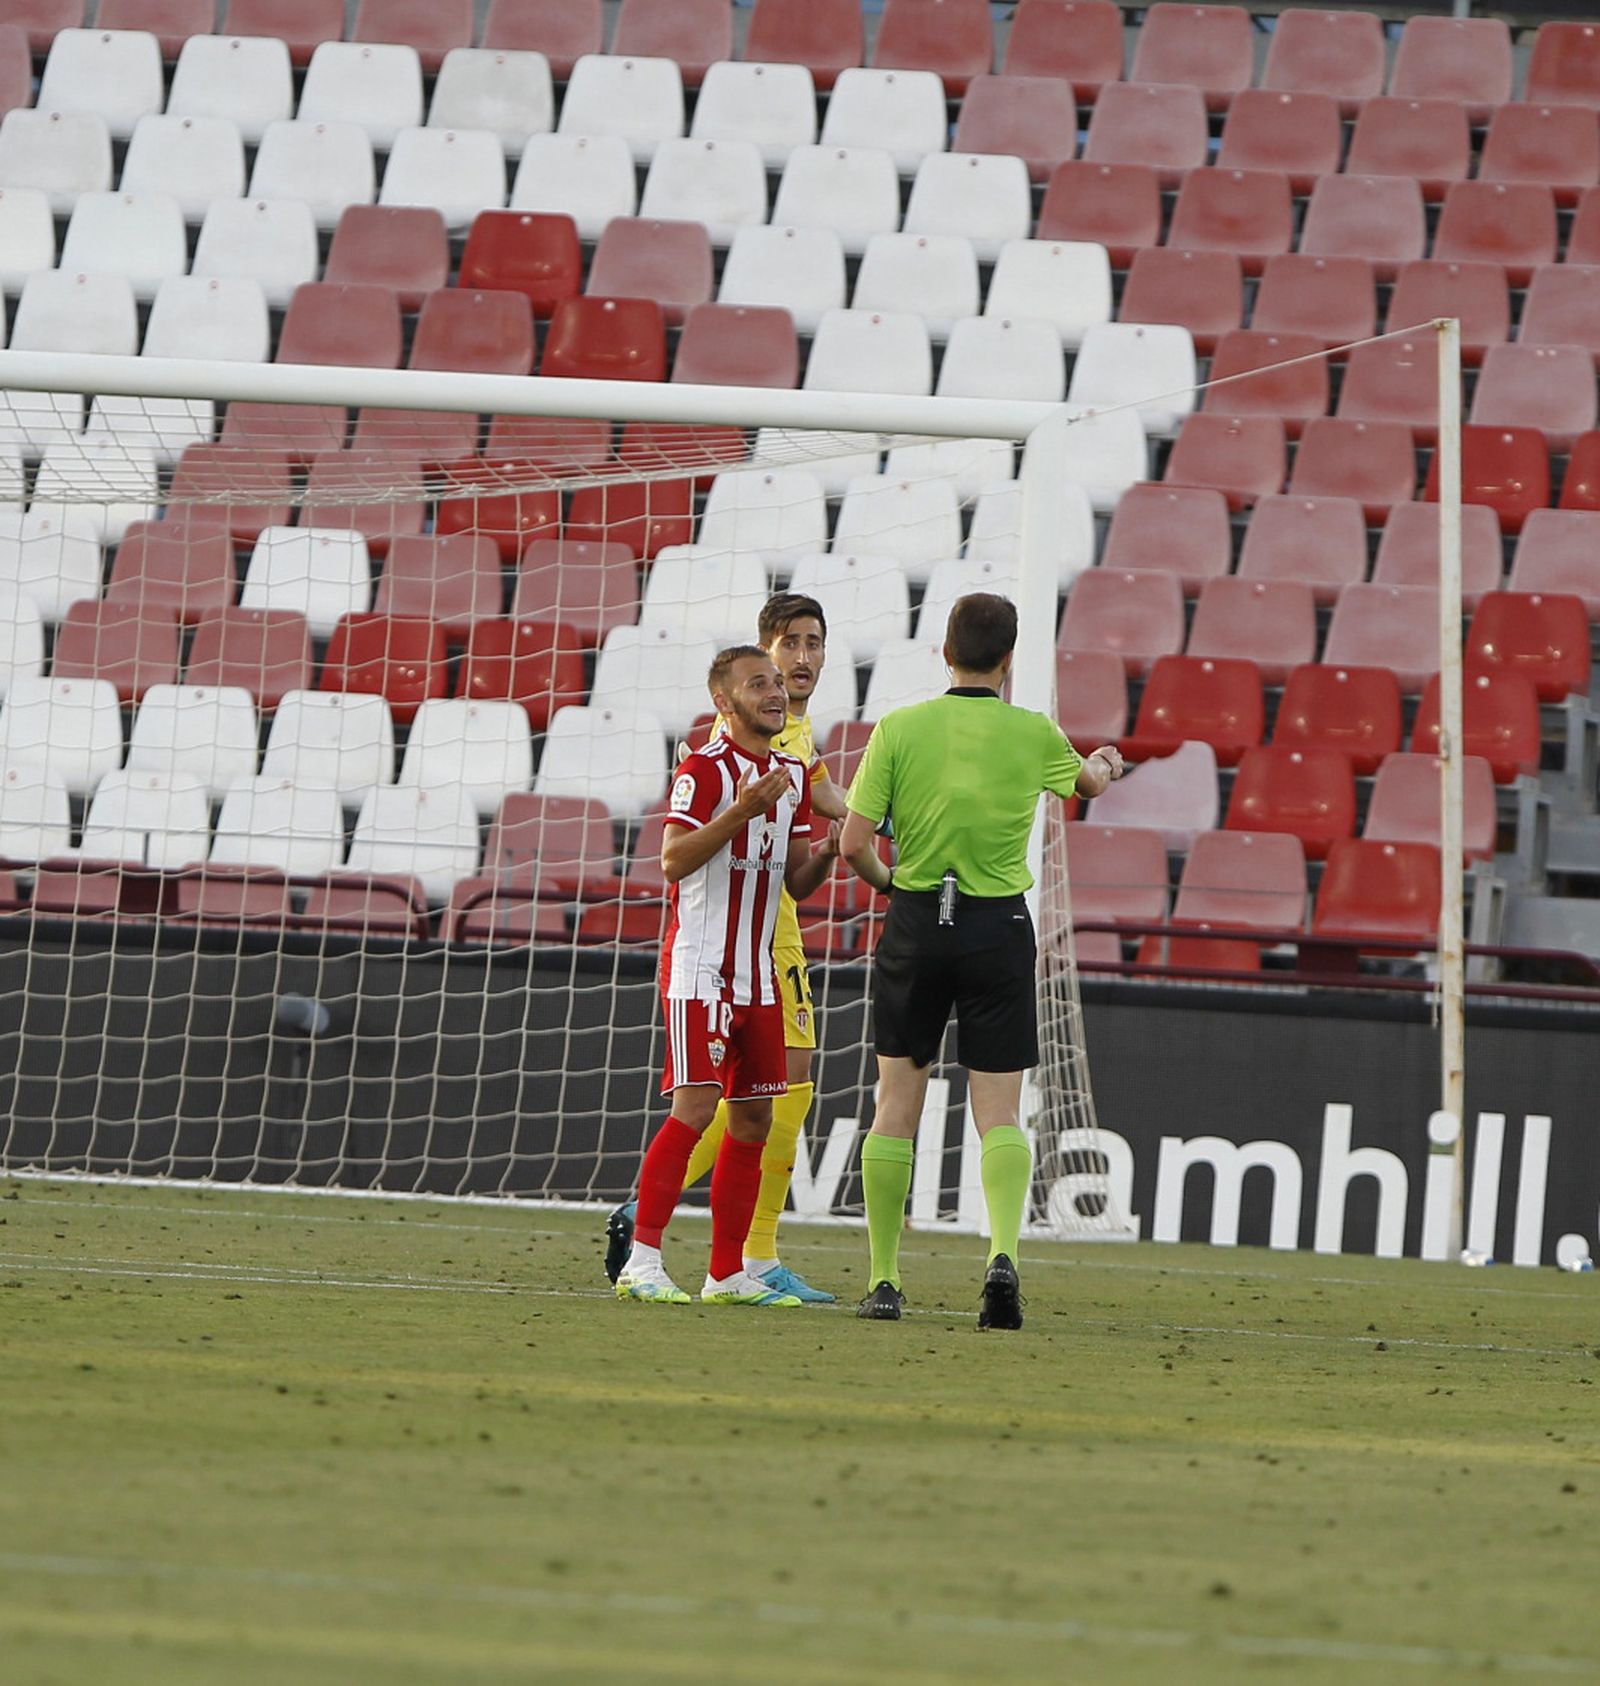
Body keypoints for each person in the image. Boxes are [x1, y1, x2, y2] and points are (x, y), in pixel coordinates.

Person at [838, 592, 1125, 1329]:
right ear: (1009, 659)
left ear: (944, 652)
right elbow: (1086, 787)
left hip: (915, 923)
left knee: (895, 1107)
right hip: (997, 930)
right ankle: (1002, 1257)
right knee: (998, 1111)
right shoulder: (1032, 732)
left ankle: (884, 1280)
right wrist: (1098, 764)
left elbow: (852, 844)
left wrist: (894, 885)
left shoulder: (900, 728)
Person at [606, 594, 848, 1302]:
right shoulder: (705, 769)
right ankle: (642, 1263)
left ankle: (727, 1274)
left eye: (777, 685)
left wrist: (832, 847)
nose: (776, 692)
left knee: (755, 1117)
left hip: (760, 979)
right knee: (694, 1108)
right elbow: (674, 860)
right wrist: (740, 811)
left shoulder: (795, 776)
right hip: (701, 970)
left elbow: (796, 883)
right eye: (760, 683)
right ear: (724, 700)